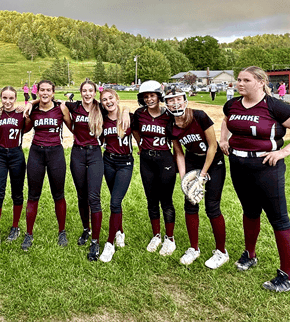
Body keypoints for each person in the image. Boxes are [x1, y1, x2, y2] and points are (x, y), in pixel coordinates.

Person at [219, 66, 290, 292]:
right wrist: (224, 140)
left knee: (278, 219)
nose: (240, 83)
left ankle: (288, 276)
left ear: (261, 82)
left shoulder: (275, 106)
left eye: (246, 80)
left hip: (266, 168)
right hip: (238, 164)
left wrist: (282, 152)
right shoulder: (233, 104)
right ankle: (250, 254)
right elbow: (226, 121)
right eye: (238, 80)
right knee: (250, 211)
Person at [63, 80, 129, 261]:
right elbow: (60, 106)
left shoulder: (99, 107)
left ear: (94, 92)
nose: (87, 94)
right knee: (81, 196)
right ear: (80, 92)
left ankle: (95, 241)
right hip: (77, 153)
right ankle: (86, 229)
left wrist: (124, 110)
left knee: (94, 197)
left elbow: (117, 108)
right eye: (84, 91)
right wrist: (32, 102)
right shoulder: (74, 106)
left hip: (94, 155)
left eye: (90, 90)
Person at [164, 87, 229, 269]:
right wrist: (185, 179)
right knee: (190, 204)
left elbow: (213, 146)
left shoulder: (199, 116)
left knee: (212, 207)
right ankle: (194, 248)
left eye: (178, 99)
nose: (175, 103)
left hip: (212, 162)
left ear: (185, 100)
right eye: (171, 100)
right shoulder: (171, 125)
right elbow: (179, 154)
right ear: (166, 103)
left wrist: (201, 176)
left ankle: (221, 252)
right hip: (192, 161)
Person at [20, 79, 71, 251]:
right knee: (33, 195)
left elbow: (73, 127)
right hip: (36, 153)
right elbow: (26, 130)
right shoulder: (33, 109)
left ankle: (62, 231)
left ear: (53, 92)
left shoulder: (60, 108)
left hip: (55, 153)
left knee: (59, 194)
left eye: (48, 90)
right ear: (38, 91)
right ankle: (28, 234)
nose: (45, 93)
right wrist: (27, 111)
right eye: (42, 90)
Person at [131, 80, 178, 256]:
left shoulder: (168, 115)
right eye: (146, 96)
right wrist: (141, 145)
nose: (149, 99)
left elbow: (176, 137)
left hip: (165, 158)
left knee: (166, 200)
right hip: (147, 159)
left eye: (152, 95)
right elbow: (135, 130)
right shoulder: (139, 113)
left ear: (159, 96)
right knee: (151, 199)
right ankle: (156, 235)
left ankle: (170, 238)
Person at [0, 86, 28, 247]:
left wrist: (28, 106)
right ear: (1, 98)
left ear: (15, 99)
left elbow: (35, 114)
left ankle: (15, 227)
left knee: (17, 193)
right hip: (0, 155)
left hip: (17, 155)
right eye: (5, 98)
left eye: (11, 98)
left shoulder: (21, 113)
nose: (8, 101)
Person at [97, 88, 133, 263]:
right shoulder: (103, 119)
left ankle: (109, 244)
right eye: (104, 100)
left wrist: (125, 110)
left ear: (117, 98)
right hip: (108, 161)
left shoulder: (129, 117)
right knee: (115, 200)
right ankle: (120, 232)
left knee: (114, 202)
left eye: (111, 98)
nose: (108, 101)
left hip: (125, 163)